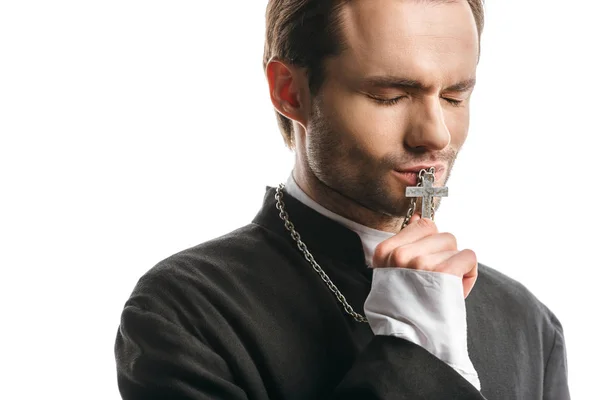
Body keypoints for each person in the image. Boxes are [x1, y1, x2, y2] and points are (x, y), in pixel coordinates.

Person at [114, 0, 570, 398]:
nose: (436, 134)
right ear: (290, 92)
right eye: (390, 96)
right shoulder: (187, 312)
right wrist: (415, 352)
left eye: (453, 97)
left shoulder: (527, 323)